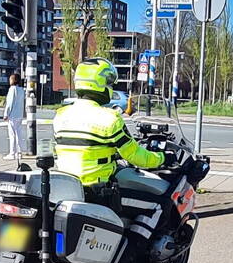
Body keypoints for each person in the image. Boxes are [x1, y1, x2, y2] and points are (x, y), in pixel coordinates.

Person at [53, 58, 167, 238]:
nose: (111, 87)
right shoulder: (109, 119)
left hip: (67, 189)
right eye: (109, 82)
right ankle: (134, 251)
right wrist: (162, 158)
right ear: (99, 84)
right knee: (158, 205)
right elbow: (136, 156)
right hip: (97, 192)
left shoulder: (61, 115)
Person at [3, 73, 25, 160]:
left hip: (13, 115)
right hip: (19, 114)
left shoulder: (12, 89)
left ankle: (12, 153)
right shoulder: (21, 90)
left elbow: (10, 103)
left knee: (12, 134)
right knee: (19, 134)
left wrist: (6, 114)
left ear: (13, 80)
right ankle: (19, 153)